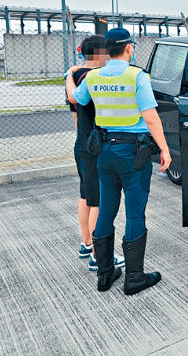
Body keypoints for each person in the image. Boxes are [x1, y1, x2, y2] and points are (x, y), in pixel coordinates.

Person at [66, 28, 171, 295]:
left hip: (104, 153)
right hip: (133, 154)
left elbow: (77, 100)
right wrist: (164, 149)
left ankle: (104, 275)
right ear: (128, 48)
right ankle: (134, 277)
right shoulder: (137, 76)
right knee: (135, 212)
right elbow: (150, 117)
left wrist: (69, 76)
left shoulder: (92, 77)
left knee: (107, 209)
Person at [66, 36, 125, 272]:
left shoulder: (76, 75)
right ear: (101, 53)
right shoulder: (96, 77)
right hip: (96, 146)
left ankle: (86, 243)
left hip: (82, 143)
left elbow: (75, 112)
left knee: (86, 197)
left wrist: (68, 75)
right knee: (99, 201)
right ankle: (98, 256)